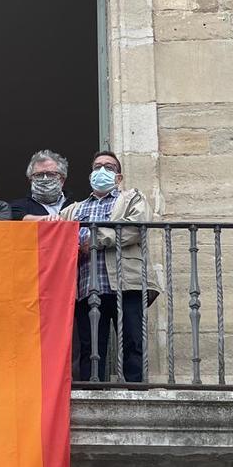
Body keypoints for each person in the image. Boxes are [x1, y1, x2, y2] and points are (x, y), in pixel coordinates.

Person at [59, 150, 160, 383]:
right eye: (97, 167)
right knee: (90, 348)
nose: (102, 171)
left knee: (133, 340)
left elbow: (136, 227)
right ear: (90, 174)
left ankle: (136, 391)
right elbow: (54, 232)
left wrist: (93, 240)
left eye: (109, 167)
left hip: (127, 283)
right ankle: (91, 392)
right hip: (87, 287)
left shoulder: (132, 199)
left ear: (119, 177)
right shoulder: (73, 209)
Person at [11, 149, 69, 221]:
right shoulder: (17, 207)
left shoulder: (76, 207)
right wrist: (45, 219)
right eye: (39, 175)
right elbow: (19, 218)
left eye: (51, 174)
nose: (45, 179)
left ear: (62, 180)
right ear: (30, 180)